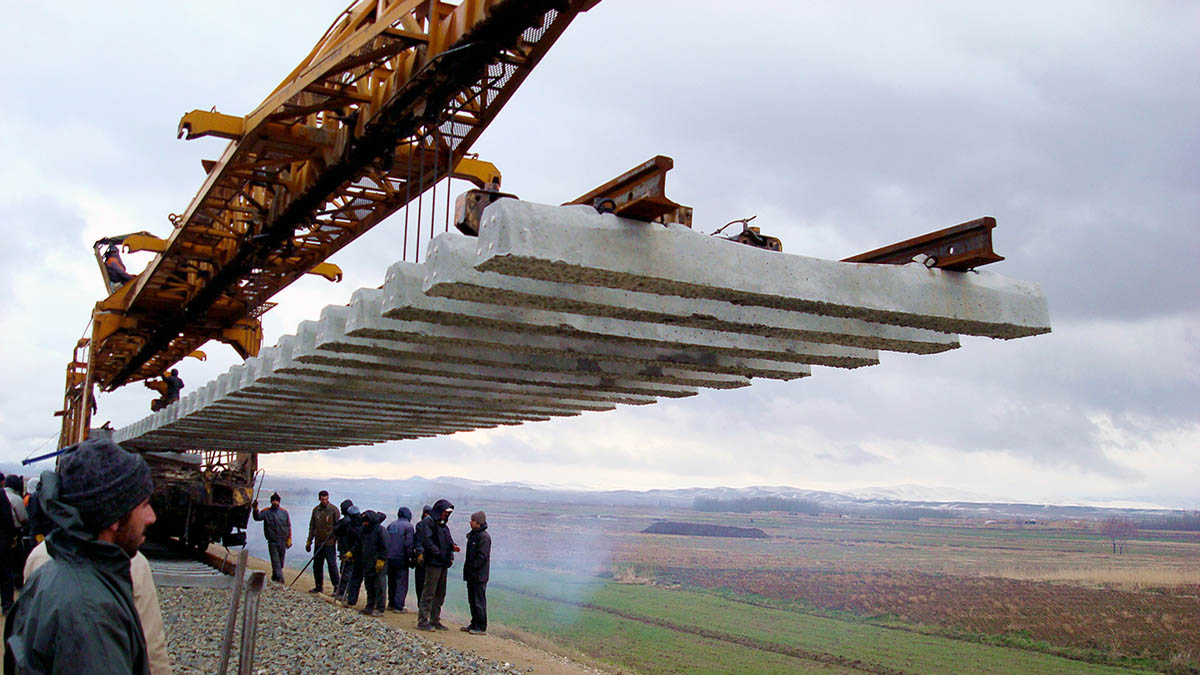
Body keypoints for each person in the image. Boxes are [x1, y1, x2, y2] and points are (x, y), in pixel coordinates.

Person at [3, 438, 156, 674]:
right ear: (114, 517)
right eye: (144, 505)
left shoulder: (50, 573)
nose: (151, 517)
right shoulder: (89, 613)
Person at [26, 540, 171, 674]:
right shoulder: (134, 563)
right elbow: (151, 648)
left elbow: (28, 642)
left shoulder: (40, 558)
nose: (150, 517)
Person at [415, 499, 458, 631]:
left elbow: (449, 541)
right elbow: (427, 541)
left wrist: (451, 551)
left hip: (442, 563)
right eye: (445, 512)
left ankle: (435, 619)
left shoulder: (443, 525)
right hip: (433, 563)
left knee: (440, 593)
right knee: (429, 592)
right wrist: (438, 553)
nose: (446, 515)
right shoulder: (429, 523)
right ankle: (423, 620)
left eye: (447, 513)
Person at [461, 511, 491, 635]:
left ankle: (481, 627)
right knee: (472, 600)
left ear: (478, 523)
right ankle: (474, 623)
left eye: (472, 520)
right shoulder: (474, 535)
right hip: (472, 575)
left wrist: (473, 568)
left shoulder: (484, 537)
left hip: (479, 575)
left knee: (479, 601)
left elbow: (482, 556)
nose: (470, 522)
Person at [305, 490, 340, 594]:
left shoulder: (334, 510)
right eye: (322, 499)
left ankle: (336, 587)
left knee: (332, 565)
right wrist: (309, 541)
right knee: (317, 565)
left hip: (329, 543)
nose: (324, 501)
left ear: (328, 498)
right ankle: (318, 586)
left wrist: (337, 541)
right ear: (319, 498)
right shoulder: (316, 510)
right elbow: (312, 526)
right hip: (318, 542)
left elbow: (338, 527)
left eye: (326, 499)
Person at [252, 493, 291, 583]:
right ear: (271, 501)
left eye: (276, 501)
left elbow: (288, 526)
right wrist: (255, 508)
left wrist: (289, 539)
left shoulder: (284, 513)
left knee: (280, 563)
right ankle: (280, 581)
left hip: (283, 541)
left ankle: (275, 578)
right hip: (272, 541)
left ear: (279, 502)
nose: (275, 502)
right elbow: (257, 517)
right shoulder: (266, 512)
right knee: (275, 562)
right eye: (273, 500)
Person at [354, 510, 388, 616]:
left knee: (380, 586)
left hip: (378, 563)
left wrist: (381, 559)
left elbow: (385, 546)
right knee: (369, 585)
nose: (365, 523)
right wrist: (351, 552)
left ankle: (380, 608)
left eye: (366, 521)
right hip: (367, 562)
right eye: (363, 521)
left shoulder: (380, 530)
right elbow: (359, 544)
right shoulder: (364, 530)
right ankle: (369, 606)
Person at [385, 507, 415, 613]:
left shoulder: (391, 525)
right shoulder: (408, 527)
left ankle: (391, 603)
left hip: (389, 557)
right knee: (401, 582)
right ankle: (399, 606)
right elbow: (408, 544)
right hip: (401, 558)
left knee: (391, 581)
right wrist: (411, 558)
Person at [332, 500, 360, 601]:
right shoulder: (354, 523)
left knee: (346, 572)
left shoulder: (347, 522)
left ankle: (343, 593)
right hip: (349, 550)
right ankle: (344, 593)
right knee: (346, 572)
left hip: (349, 551)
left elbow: (335, 530)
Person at [413, 504, 431, 601]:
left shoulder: (433, 526)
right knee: (421, 583)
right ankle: (422, 605)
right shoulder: (420, 526)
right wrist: (420, 553)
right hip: (423, 560)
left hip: (429, 560)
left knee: (424, 583)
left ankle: (424, 606)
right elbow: (418, 540)